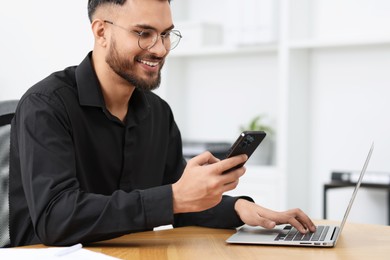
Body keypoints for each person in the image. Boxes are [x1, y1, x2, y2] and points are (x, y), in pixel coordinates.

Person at [8, 0, 316, 247]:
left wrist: (240, 210)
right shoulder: (46, 105)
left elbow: (180, 199)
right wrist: (172, 198)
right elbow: (55, 218)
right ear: (101, 32)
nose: (160, 49)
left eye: (166, 33)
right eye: (144, 33)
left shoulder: (157, 113)